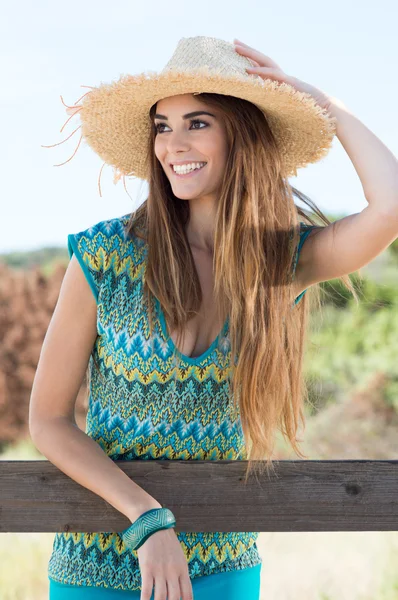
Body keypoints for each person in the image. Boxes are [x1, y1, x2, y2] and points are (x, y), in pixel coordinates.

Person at [31, 35, 398, 600]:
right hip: (98, 563)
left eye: (197, 123)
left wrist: (325, 104)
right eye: (162, 125)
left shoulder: (281, 262)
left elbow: (390, 208)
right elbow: (49, 420)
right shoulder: (104, 257)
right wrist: (146, 519)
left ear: (241, 135)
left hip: (224, 564)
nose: (173, 144)